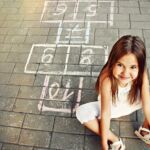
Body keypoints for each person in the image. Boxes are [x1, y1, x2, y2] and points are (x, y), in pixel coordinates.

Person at [76, 35, 150, 150]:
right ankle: (114, 139)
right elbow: (106, 113)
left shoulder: (142, 72)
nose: (125, 73)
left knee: (148, 96)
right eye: (120, 65)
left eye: (133, 67)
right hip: (113, 107)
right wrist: (105, 145)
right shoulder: (107, 79)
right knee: (81, 112)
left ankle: (145, 130)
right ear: (113, 61)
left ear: (139, 66)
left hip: (132, 102)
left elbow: (147, 105)